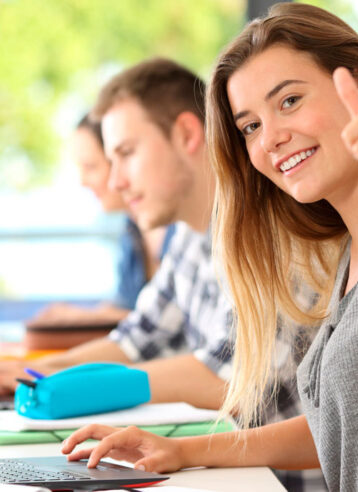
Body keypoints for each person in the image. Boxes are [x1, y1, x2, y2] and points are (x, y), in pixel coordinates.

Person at [62, 3, 358, 491]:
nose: (270, 137)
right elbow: (338, 430)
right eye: (250, 126)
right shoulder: (348, 257)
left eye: (289, 101)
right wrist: (183, 450)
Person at [1, 57, 327, 492]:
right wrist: (31, 372)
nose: (116, 181)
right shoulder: (192, 235)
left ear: (187, 135)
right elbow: (136, 339)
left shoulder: (275, 233)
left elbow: (229, 381)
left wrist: (72, 389)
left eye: (126, 154)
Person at [26, 114, 173, 329]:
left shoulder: (185, 229)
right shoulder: (131, 231)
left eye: (91, 167)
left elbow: (172, 321)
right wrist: (82, 316)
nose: (83, 182)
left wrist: (85, 317)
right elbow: (129, 310)